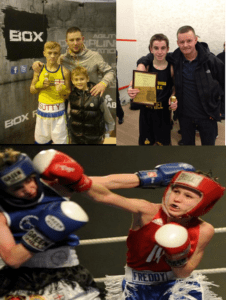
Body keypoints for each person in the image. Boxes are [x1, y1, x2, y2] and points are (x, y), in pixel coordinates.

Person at [89, 163, 225, 299]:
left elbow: (182, 273)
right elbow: (99, 194)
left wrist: (176, 256)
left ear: (204, 202)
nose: (177, 198)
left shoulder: (205, 230)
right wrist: (144, 178)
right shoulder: (147, 211)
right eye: (176, 191)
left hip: (177, 286)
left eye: (188, 196)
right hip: (136, 286)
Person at [0, 148, 107, 299]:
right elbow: (12, 259)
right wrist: (45, 232)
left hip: (68, 272)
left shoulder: (52, 187)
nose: (28, 189)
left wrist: (143, 178)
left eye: (29, 180)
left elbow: (102, 182)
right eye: (17, 188)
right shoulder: (2, 213)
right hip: (23, 279)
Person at [137, 26, 224, 145]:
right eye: (182, 42)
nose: (185, 45)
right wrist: (141, 65)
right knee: (187, 148)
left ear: (196, 39)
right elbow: (152, 56)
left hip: (207, 116)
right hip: (184, 116)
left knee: (208, 150)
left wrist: (220, 109)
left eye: (189, 41)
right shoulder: (175, 58)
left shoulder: (211, 61)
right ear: (177, 43)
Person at [32, 27, 115, 97]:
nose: (75, 43)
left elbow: (110, 72)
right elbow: (50, 66)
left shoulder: (94, 56)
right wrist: (38, 64)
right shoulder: (61, 59)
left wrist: (103, 83)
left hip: (91, 100)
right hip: (71, 102)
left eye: (78, 39)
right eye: (71, 40)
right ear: (66, 41)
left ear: (82, 39)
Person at [127, 34, 177, 145]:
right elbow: (134, 83)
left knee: (163, 146)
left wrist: (173, 98)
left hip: (164, 114)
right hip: (147, 113)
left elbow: (174, 87)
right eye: (156, 48)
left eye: (163, 48)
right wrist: (130, 89)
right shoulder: (147, 66)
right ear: (151, 49)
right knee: (146, 145)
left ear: (167, 49)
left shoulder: (171, 68)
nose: (159, 52)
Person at [30, 41, 71, 144]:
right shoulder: (39, 69)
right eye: (49, 53)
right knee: (40, 143)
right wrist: (41, 85)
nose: (52, 56)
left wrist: (62, 91)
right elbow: (32, 90)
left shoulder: (64, 71)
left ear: (59, 54)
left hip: (59, 114)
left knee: (61, 145)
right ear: (44, 53)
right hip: (42, 113)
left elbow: (68, 94)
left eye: (55, 53)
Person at [68, 66, 115, 144]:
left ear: (87, 79)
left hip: (95, 138)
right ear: (72, 81)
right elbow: (70, 115)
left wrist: (107, 134)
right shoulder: (72, 95)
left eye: (82, 79)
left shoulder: (96, 94)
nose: (79, 82)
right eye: (76, 79)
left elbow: (107, 116)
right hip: (76, 138)